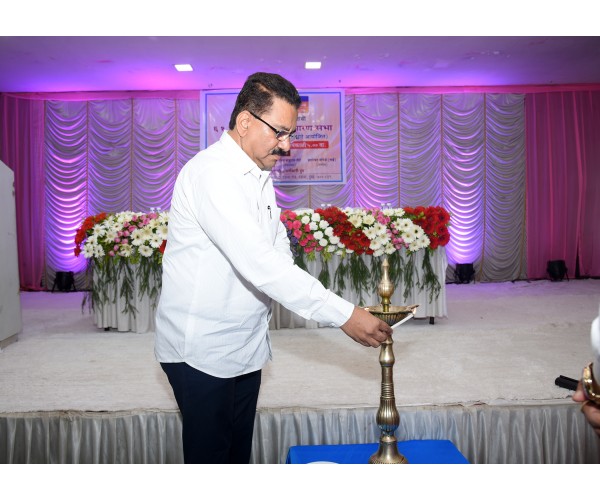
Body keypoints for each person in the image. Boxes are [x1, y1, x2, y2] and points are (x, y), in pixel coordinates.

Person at [154, 72, 392, 464]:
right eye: (279, 132)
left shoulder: (258, 175)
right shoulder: (213, 174)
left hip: (244, 346)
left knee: (236, 459)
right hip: (201, 350)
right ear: (245, 121)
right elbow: (260, 264)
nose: (286, 146)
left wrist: (331, 305)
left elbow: (276, 250)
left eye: (290, 134)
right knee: (211, 463)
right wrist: (344, 315)